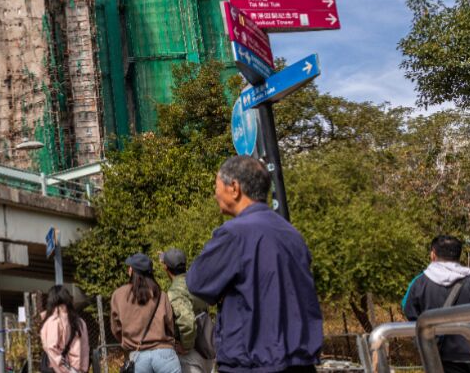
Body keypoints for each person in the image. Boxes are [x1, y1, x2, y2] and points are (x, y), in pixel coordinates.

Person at [187, 155, 322, 373]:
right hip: (300, 361)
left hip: (253, 362)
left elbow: (197, 281)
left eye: (217, 186)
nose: (215, 194)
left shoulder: (234, 233)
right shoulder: (291, 233)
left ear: (234, 188)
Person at [402, 235, 470, 373]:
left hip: (436, 355)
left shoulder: (419, 282)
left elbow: (408, 309)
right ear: (458, 256)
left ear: (433, 254)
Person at [111, 254, 179, 373]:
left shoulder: (119, 295)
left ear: (132, 270)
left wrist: (129, 340)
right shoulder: (161, 295)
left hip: (137, 357)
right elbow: (170, 325)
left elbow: (116, 329)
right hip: (164, 354)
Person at [158, 249, 210, 373]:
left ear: (165, 267)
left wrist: (186, 347)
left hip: (190, 356)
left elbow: (187, 321)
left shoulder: (175, 291)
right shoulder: (195, 283)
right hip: (206, 348)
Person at [40, 285, 89, 373]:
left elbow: (51, 347)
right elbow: (85, 349)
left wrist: (66, 370)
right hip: (78, 369)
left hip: (59, 369)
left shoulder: (54, 320)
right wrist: (82, 370)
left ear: (51, 300)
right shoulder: (81, 322)